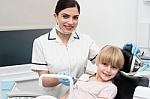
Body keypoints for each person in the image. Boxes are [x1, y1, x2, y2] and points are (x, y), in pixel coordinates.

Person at [31, 0, 99, 97]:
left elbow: (104, 60)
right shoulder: (41, 43)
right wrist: (59, 78)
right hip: (53, 97)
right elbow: (44, 81)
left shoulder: (86, 40)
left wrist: (121, 55)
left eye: (75, 17)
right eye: (65, 16)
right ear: (56, 17)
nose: (71, 22)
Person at [60, 45, 124, 99]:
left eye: (114, 67)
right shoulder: (84, 77)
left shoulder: (109, 88)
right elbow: (67, 95)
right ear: (97, 62)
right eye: (105, 64)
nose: (108, 70)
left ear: (118, 70)